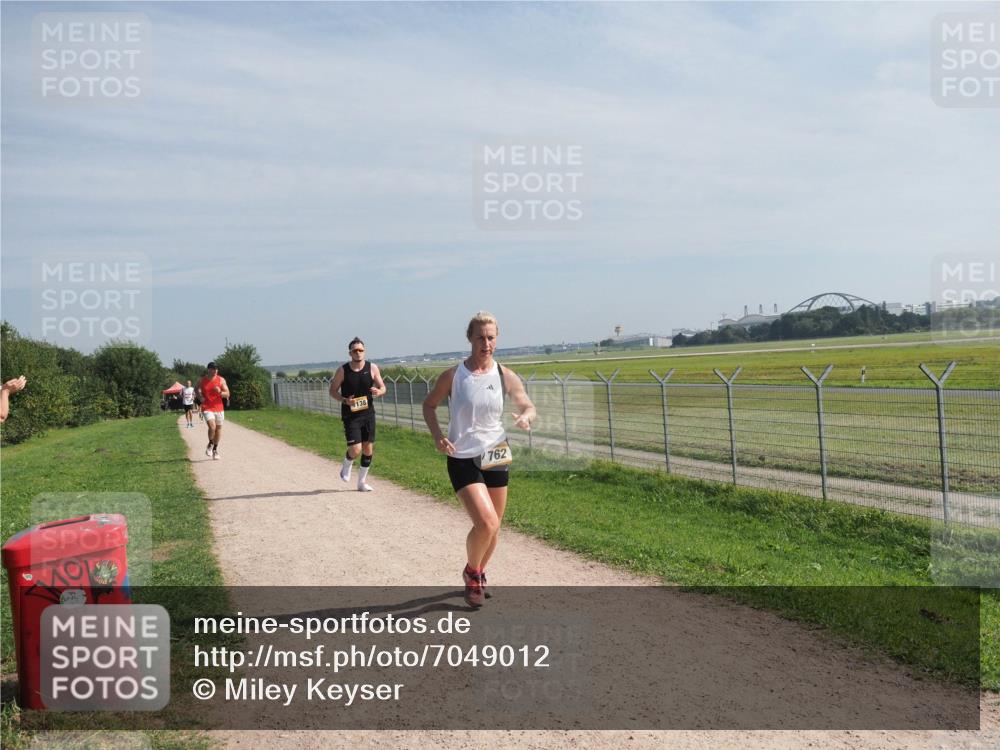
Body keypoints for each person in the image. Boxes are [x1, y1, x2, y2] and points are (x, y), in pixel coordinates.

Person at [422, 312, 536, 607]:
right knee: (485, 523)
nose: (486, 343)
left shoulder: (504, 375)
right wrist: (437, 436)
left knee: (495, 525)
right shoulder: (454, 375)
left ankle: (478, 571)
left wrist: (525, 416)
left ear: (496, 339)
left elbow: (527, 404)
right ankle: (472, 573)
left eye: (491, 337)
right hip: (462, 455)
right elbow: (429, 405)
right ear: (470, 339)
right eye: (480, 337)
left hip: (496, 451)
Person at [328, 338, 387, 491]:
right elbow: (332, 391)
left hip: (368, 414)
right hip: (351, 415)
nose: (358, 353)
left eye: (361, 350)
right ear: (350, 353)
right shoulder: (343, 370)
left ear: (364, 351)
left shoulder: (372, 368)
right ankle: (347, 464)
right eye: (355, 350)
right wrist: (344, 400)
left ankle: (361, 482)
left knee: (368, 449)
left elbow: (383, 387)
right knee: (355, 449)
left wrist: (379, 391)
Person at [197, 362, 229, 460]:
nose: (215, 371)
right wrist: (200, 397)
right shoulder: (202, 380)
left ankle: (215, 450)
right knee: (212, 426)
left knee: (218, 429)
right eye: (213, 369)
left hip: (219, 407)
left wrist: (219, 391)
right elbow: (196, 389)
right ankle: (211, 443)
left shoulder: (221, 380)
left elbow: (227, 394)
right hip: (207, 407)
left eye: (216, 369)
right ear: (208, 370)